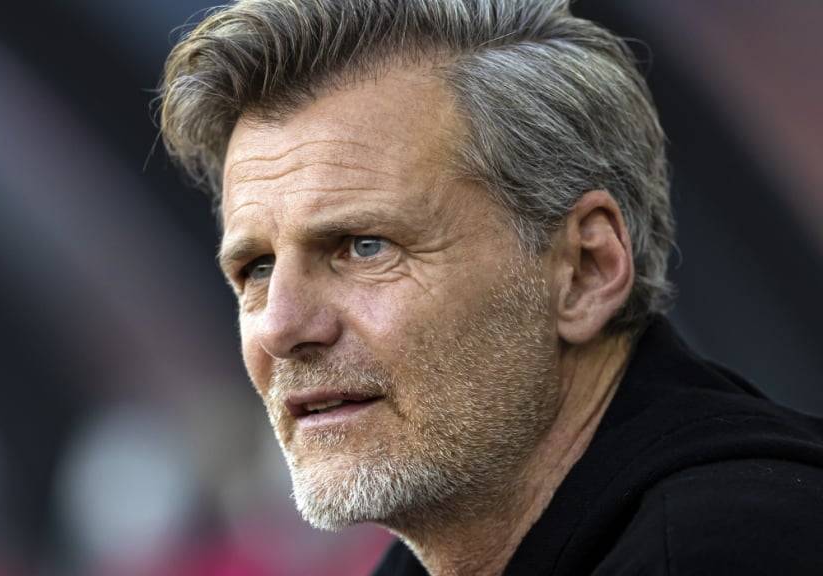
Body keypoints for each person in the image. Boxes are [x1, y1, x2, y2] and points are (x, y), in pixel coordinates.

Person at [157, 1, 823, 574]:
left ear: (585, 270)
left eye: (365, 247)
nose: (281, 327)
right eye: (257, 268)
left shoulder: (730, 548)